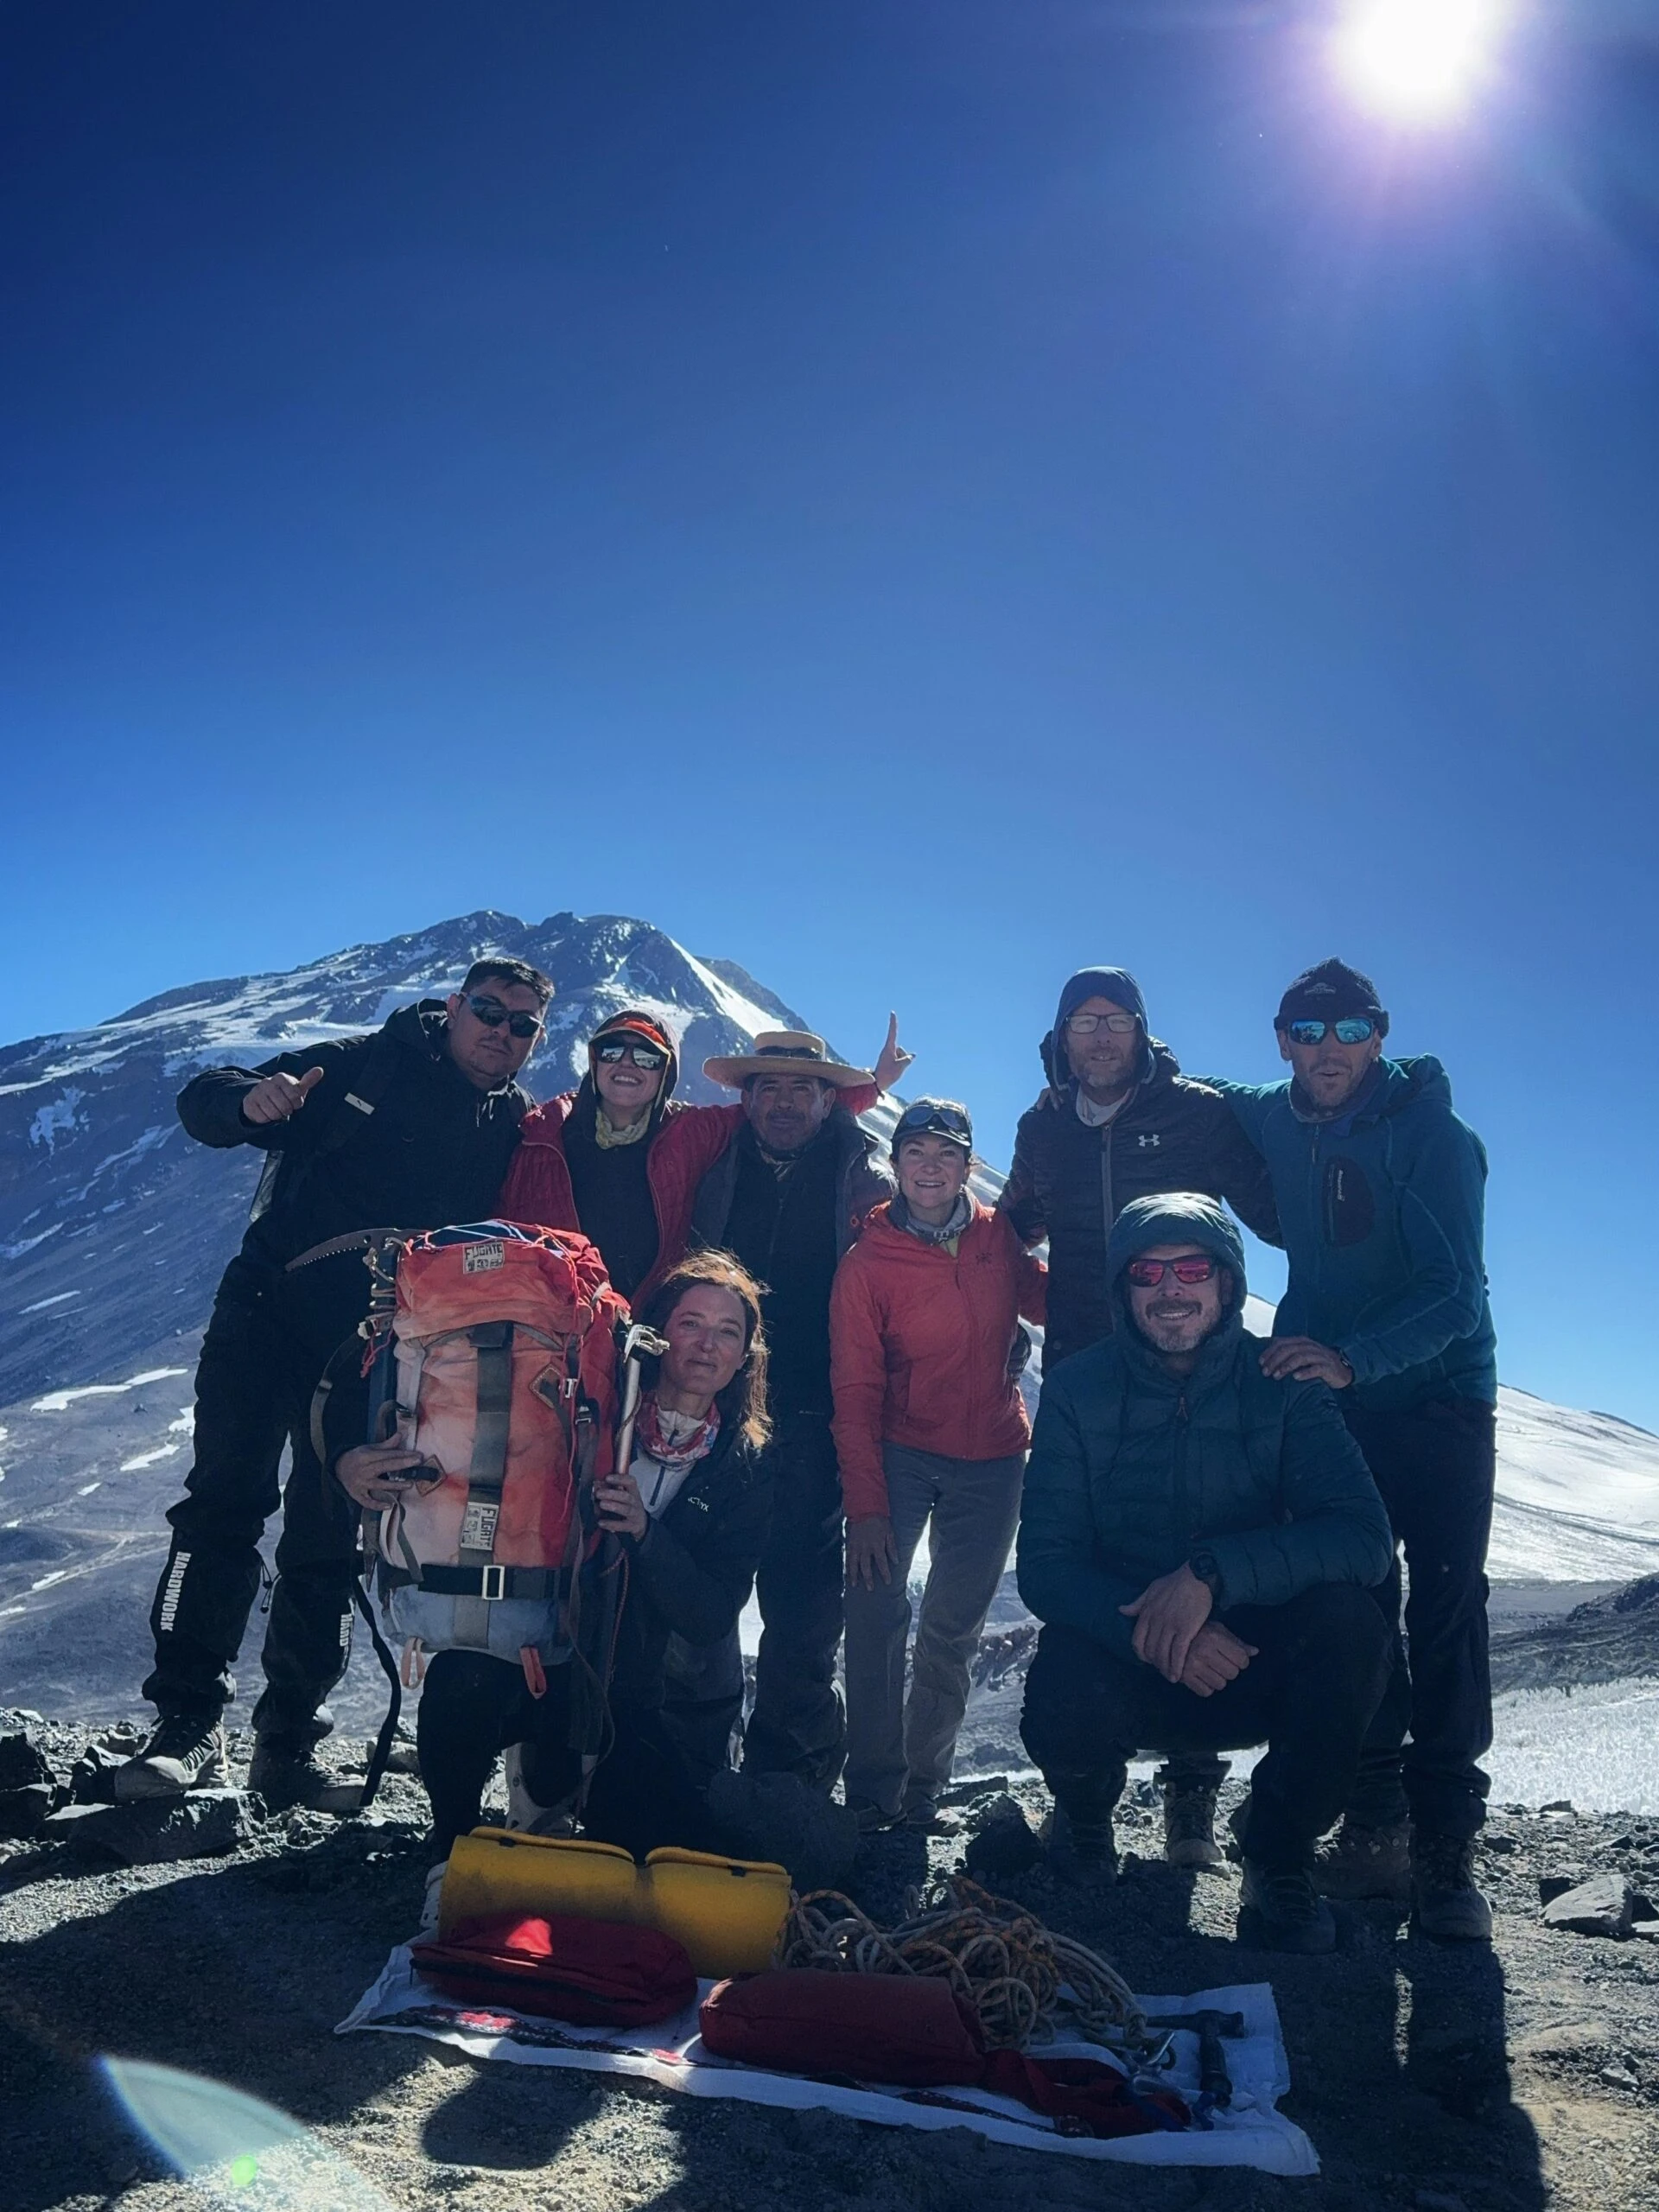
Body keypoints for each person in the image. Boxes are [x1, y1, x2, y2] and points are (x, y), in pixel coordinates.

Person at [115, 960, 547, 1813]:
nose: (502, 1030)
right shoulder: (364, 1065)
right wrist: (250, 1103)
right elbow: (207, 1101)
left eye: (523, 1023)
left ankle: (288, 1746)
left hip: (375, 1349)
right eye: (489, 1010)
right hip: (266, 1318)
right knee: (223, 1511)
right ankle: (184, 1725)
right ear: (454, 1008)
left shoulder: (512, 1124)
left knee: (332, 1534)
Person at [1017, 1193, 1394, 1955]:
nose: (1171, 1289)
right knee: (1061, 1682)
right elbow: (1047, 1569)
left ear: (1226, 1284)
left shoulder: (1282, 1384)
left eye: (1193, 1268)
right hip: (1132, 1656)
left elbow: (1363, 1539)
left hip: (1245, 1660)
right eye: (1148, 1272)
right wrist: (1164, 1633)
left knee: (1354, 1623)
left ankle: (1278, 1851)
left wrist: (1210, 1577)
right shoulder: (1078, 1390)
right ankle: (1086, 1822)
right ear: (1123, 1289)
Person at [333, 1252, 772, 1903]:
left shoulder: (744, 1466)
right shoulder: (584, 1404)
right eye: (690, 1323)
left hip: (634, 1700)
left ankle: (549, 1799)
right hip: (535, 1661)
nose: (706, 1345)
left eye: (727, 1332)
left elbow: (709, 1613)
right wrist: (347, 1464)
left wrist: (647, 1536)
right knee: (461, 1680)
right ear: (657, 1333)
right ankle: (449, 1858)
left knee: (657, 1854)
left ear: (745, 1357)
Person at [1209, 958, 1499, 1942]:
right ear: (1282, 1038)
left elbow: (1457, 1294)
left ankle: (1447, 1857)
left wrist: (1351, 1359)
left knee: (1449, 1605)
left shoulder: (1435, 1137)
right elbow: (1202, 1094)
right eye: (1307, 1030)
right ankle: (1376, 1831)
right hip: (1342, 1397)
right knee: (1360, 1604)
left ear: (1379, 1036)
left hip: (1441, 1401)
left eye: (1348, 1030)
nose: (1327, 1050)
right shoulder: (1278, 1112)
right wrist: (1112, 1054)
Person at [998, 964, 1281, 1868]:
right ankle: (1083, 1799)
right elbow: (1015, 1228)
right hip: (1085, 1378)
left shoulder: (1197, 1111)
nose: (1100, 1036)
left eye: (1116, 1019)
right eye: (1083, 1021)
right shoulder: (1044, 1123)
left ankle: (1191, 1801)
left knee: (1195, 1549)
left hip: (1194, 1372)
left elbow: (1276, 1213)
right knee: (1080, 1564)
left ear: (1143, 1030)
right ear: (1061, 1037)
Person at [667, 1032, 897, 1789]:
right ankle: (689, 1767)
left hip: (814, 1416)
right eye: (770, 1087)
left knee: (800, 1609)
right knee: (698, 1594)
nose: (785, 1102)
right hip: (712, 1410)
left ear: (832, 1100)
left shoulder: (866, 1177)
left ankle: (787, 1785)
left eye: (804, 1089)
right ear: (747, 1097)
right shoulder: (715, 1157)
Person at [830, 1099, 1046, 1832]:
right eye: (916, 1153)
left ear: (967, 1167)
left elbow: (1045, 1298)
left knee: (952, 1627)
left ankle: (922, 1790)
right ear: (894, 1165)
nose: (931, 1168)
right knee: (874, 1609)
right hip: (900, 1451)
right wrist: (864, 1507)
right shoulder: (867, 1262)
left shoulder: (998, 1238)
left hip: (993, 1456)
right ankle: (871, 1789)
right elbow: (854, 1389)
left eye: (946, 1155)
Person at [499, 1009, 910, 1304]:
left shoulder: (688, 1134)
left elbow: (785, 1117)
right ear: (593, 1060)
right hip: (557, 1332)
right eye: (611, 1051)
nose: (627, 1064)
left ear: (667, 1072)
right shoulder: (542, 1135)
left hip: (650, 1336)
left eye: (646, 1057)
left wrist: (873, 1086)